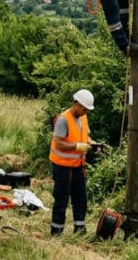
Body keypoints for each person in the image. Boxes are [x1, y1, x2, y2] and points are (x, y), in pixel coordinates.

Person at [49, 89, 98, 236]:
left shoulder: (83, 118)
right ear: (76, 103)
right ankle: (56, 231)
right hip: (62, 167)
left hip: (78, 166)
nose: (85, 111)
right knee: (61, 199)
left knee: (80, 198)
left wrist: (91, 143)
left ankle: (80, 230)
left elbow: (85, 137)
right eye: (83, 108)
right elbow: (58, 144)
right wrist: (77, 146)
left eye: (87, 109)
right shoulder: (63, 119)